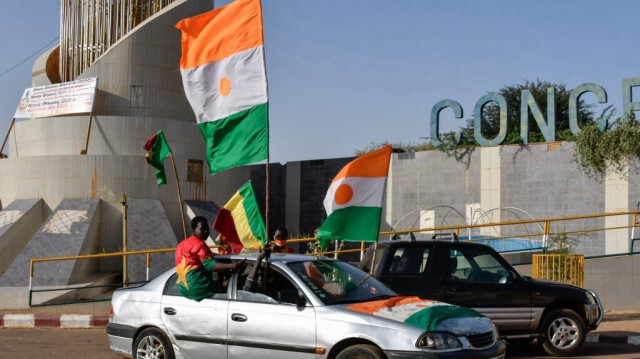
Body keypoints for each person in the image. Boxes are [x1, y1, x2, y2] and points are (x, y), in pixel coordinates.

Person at [175, 216, 245, 301]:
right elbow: (212, 265)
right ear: (194, 230)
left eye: (207, 229)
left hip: (183, 289)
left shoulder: (181, 244)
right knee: (231, 291)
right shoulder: (200, 245)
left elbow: (195, 259)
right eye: (202, 229)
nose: (206, 231)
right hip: (199, 289)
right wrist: (234, 266)